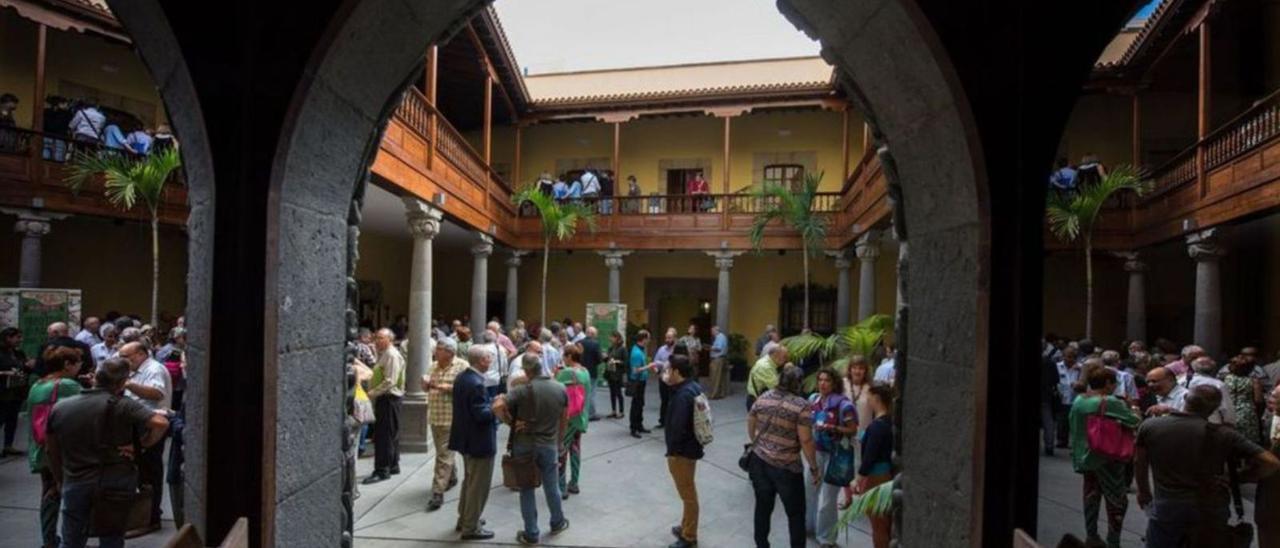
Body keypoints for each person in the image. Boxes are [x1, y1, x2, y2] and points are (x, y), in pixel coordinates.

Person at [1135, 384, 1280, 548]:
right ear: (1215, 408)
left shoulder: (1151, 426)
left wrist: (1143, 491)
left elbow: (1139, 462)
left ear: (1185, 399)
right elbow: (1271, 463)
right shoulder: (1225, 434)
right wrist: (1240, 477)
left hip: (1168, 503)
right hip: (1210, 505)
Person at [46, 357, 169, 548]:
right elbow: (160, 423)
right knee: (112, 536)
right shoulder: (123, 404)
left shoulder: (61, 407)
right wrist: (141, 446)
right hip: (115, 479)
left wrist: (59, 479)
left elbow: (51, 449)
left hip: (76, 478)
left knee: (72, 537)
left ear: (94, 378)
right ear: (121, 383)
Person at [1068, 365, 1139, 548]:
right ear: (1107, 383)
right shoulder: (1110, 401)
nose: (1115, 385)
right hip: (1107, 456)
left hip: (1085, 456)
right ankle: (1113, 541)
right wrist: (1133, 408)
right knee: (1117, 500)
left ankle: (1091, 536)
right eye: (1114, 382)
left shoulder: (1079, 400)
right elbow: (1133, 421)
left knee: (1091, 496)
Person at [747, 365, 817, 548]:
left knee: (762, 507)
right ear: (799, 383)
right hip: (787, 468)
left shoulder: (764, 397)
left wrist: (757, 442)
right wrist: (814, 467)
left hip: (759, 461)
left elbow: (751, 420)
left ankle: (761, 545)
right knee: (795, 514)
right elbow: (806, 440)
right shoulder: (801, 406)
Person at [505, 353, 569, 545]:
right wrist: (559, 441)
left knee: (526, 488)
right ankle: (557, 522)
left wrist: (512, 423)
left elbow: (499, 405)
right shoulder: (560, 388)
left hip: (524, 443)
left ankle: (531, 533)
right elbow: (564, 417)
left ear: (526, 370)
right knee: (552, 486)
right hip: (549, 443)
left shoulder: (522, 390)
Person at [24, 346, 82, 548]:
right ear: (67, 365)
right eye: (77, 364)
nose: (79, 368)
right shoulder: (66, 385)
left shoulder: (37, 385)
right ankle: (66, 541)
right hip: (61, 451)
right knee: (67, 496)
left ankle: (49, 539)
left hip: (40, 450)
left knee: (49, 495)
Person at [117, 341, 172, 535]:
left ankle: (151, 518)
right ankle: (146, 513)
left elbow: (157, 393)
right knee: (141, 473)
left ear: (141, 354)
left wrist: (129, 384)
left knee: (149, 471)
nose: (122, 360)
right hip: (139, 424)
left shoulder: (154, 369)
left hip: (152, 425)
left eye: (126, 356)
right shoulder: (136, 369)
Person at [449, 345, 501, 540]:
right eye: (489, 358)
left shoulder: (463, 378)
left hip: (465, 439)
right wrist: (496, 407)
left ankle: (465, 518)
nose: (491, 360)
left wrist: (489, 402)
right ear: (481, 361)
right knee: (478, 485)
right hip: (479, 441)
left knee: (470, 481)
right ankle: (471, 527)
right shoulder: (477, 383)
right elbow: (481, 415)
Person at [805, 367, 857, 548]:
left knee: (828, 498)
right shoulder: (813, 400)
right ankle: (808, 527)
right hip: (816, 452)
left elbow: (853, 429)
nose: (822, 383)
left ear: (834, 383)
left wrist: (833, 428)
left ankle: (826, 538)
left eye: (826, 380)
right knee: (809, 491)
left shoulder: (844, 405)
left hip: (835, 456)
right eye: (820, 379)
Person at [423, 337, 468, 511]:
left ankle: (437, 492)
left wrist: (439, 387)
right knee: (445, 453)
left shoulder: (462, 366)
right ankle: (451, 477)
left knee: (443, 455)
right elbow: (427, 387)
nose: (436, 351)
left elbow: (463, 389)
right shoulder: (433, 365)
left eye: (440, 349)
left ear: (450, 352)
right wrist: (425, 385)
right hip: (435, 416)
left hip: (452, 418)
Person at [664, 354, 703, 548]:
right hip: (691, 449)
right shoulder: (692, 387)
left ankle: (689, 536)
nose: (666, 373)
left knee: (688, 495)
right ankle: (685, 525)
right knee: (688, 490)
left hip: (682, 452)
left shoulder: (683, 396)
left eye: (669, 369)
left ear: (677, 372)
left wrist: (672, 450)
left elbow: (678, 427)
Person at [855, 384, 896, 548]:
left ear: (876, 399)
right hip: (886, 474)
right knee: (884, 522)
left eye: (869, 397)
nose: (868, 401)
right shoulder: (889, 422)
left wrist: (858, 479)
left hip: (876, 478)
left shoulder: (877, 427)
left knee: (878, 524)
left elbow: (869, 457)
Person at [362, 328, 405, 484]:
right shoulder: (385, 353)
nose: (377, 341)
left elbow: (390, 381)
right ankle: (393, 464)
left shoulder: (391, 355)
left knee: (384, 436)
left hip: (389, 399)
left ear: (390, 339)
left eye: (380, 338)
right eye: (376, 337)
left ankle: (382, 470)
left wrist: (371, 393)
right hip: (387, 399)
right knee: (390, 433)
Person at [555, 344, 590, 497]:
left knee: (561, 451)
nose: (563, 358)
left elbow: (553, 385)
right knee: (575, 450)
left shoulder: (567, 372)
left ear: (569, 357)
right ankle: (574, 482)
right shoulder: (585, 371)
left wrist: (556, 372)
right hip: (580, 418)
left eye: (564, 355)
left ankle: (561, 488)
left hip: (568, 418)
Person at [0, 326, 30, 456]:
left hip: (16, 390)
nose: (20, 340)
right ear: (8, 338)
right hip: (2, 391)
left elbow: (24, 367)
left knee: (12, 419)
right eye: (17, 337)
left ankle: (8, 445)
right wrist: (3, 372)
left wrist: (28, 366)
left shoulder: (19, 353)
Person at [1224, 354, 1265, 446]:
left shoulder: (1227, 379)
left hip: (1229, 411)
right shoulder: (1253, 381)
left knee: (1232, 442)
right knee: (1247, 443)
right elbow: (1258, 400)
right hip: (1247, 412)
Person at [1187, 356, 1236, 425]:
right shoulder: (1218, 385)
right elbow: (1226, 408)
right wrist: (1230, 422)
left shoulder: (1182, 381)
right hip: (1211, 423)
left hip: (1188, 421)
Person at [629, 330, 658, 438]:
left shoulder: (641, 349)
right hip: (637, 382)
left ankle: (639, 425)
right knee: (636, 405)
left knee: (640, 404)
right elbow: (635, 370)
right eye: (648, 338)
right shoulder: (636, 352)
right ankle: (634, 428)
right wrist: (649, 366)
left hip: (641, 381)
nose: (649, 340)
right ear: (644, 339)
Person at [747, 344, 787, 411]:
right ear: (776, 355)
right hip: (757, 401)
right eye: (784, 357)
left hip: (758, 399)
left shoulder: (768, 363)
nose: (786, 359)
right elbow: (776, 387)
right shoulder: (766, 367)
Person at [578, 327, 603, 421]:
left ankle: (580, 411)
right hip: (592, 371)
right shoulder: (596, 344)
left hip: (580, 371)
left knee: (581, 392)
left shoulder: (579, 342)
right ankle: (591, 414)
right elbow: (599, 359)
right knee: (591, 393)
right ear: (592, 334)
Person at [655, 328, 678, 429]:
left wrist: (664, 364)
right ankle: (662, 421)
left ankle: (672, 422)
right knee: (664, 400)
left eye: (669, 338)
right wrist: (657, 368)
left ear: (674, 338)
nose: (667, 340)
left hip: (674, 379)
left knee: (673, 401)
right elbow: (656, 361)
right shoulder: (661, 349)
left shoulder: (678, 349)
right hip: (663, 378)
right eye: (666, 338)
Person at [604, 331, 628, 419]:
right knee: (612, 393)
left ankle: (621, 411)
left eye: (612, 337)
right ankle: (613, 410)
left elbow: (625, 362)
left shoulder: (622, 349)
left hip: (618, 373)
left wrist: (617, 361)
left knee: (618, 393)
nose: (610, 339)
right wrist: (606, 358)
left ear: (617, 338)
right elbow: (607, 359)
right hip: (610, 372)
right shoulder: (610, 348)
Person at [707, 325, 729, 399]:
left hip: (717, 359)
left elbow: (718, 348)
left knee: (715, 378)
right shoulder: (722, 337)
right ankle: (720, 393)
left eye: (712, 331)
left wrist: (710, 347)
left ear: (716, 331)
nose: (711, 333)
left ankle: (714, 394)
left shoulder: (719, 337)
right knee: (720, 378)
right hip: (721, 358)